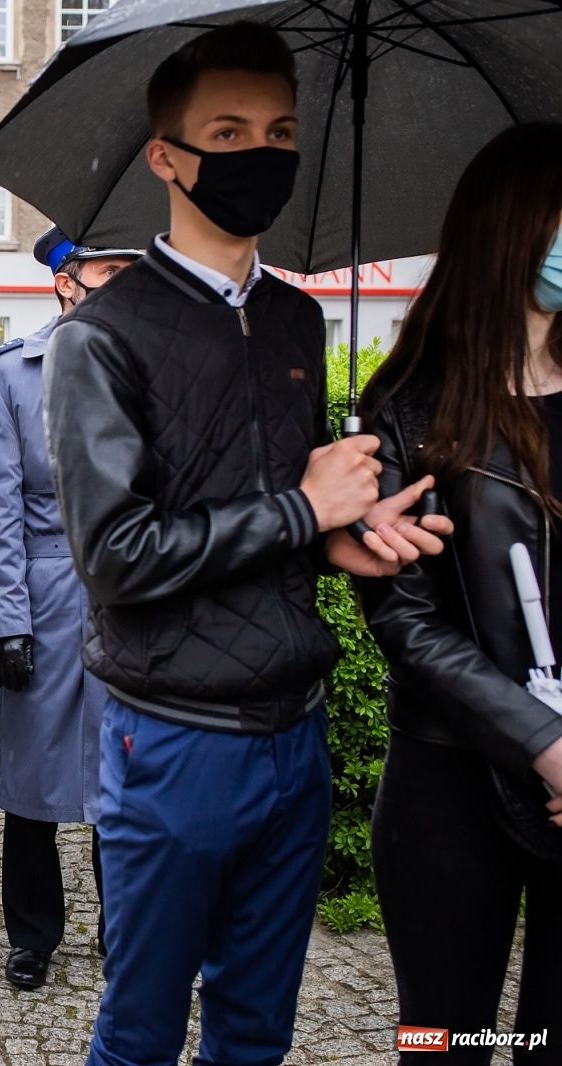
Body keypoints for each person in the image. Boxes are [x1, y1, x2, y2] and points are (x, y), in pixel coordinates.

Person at [43, 26, 450, 1066]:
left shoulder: (295, 321)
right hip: (171, 737)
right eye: (226, 133)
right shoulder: (100, 336)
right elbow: (117, 556)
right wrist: (304, 514)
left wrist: (342, 538)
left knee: (257, 1029)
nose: (259, 154)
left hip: (295, 730)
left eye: (279, 133)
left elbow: (278, 504)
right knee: (139, 1031)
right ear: (165, 156)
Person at [357, 123, 562, 1059]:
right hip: (449, 780)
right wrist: (544, 743)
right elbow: (406, 620)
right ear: (512, 226)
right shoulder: (407, 405)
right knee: (447, 1042)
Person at [0, 226, 142, 991]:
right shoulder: (8, 375)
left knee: (129, 772)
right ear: (67, 280)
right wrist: (3, 622)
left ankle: (124, 927)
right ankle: (32, 934)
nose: (126, 283)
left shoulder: (157, 363)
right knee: (31, 779)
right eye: (110, 268)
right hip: (42, 594)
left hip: (133, 594)